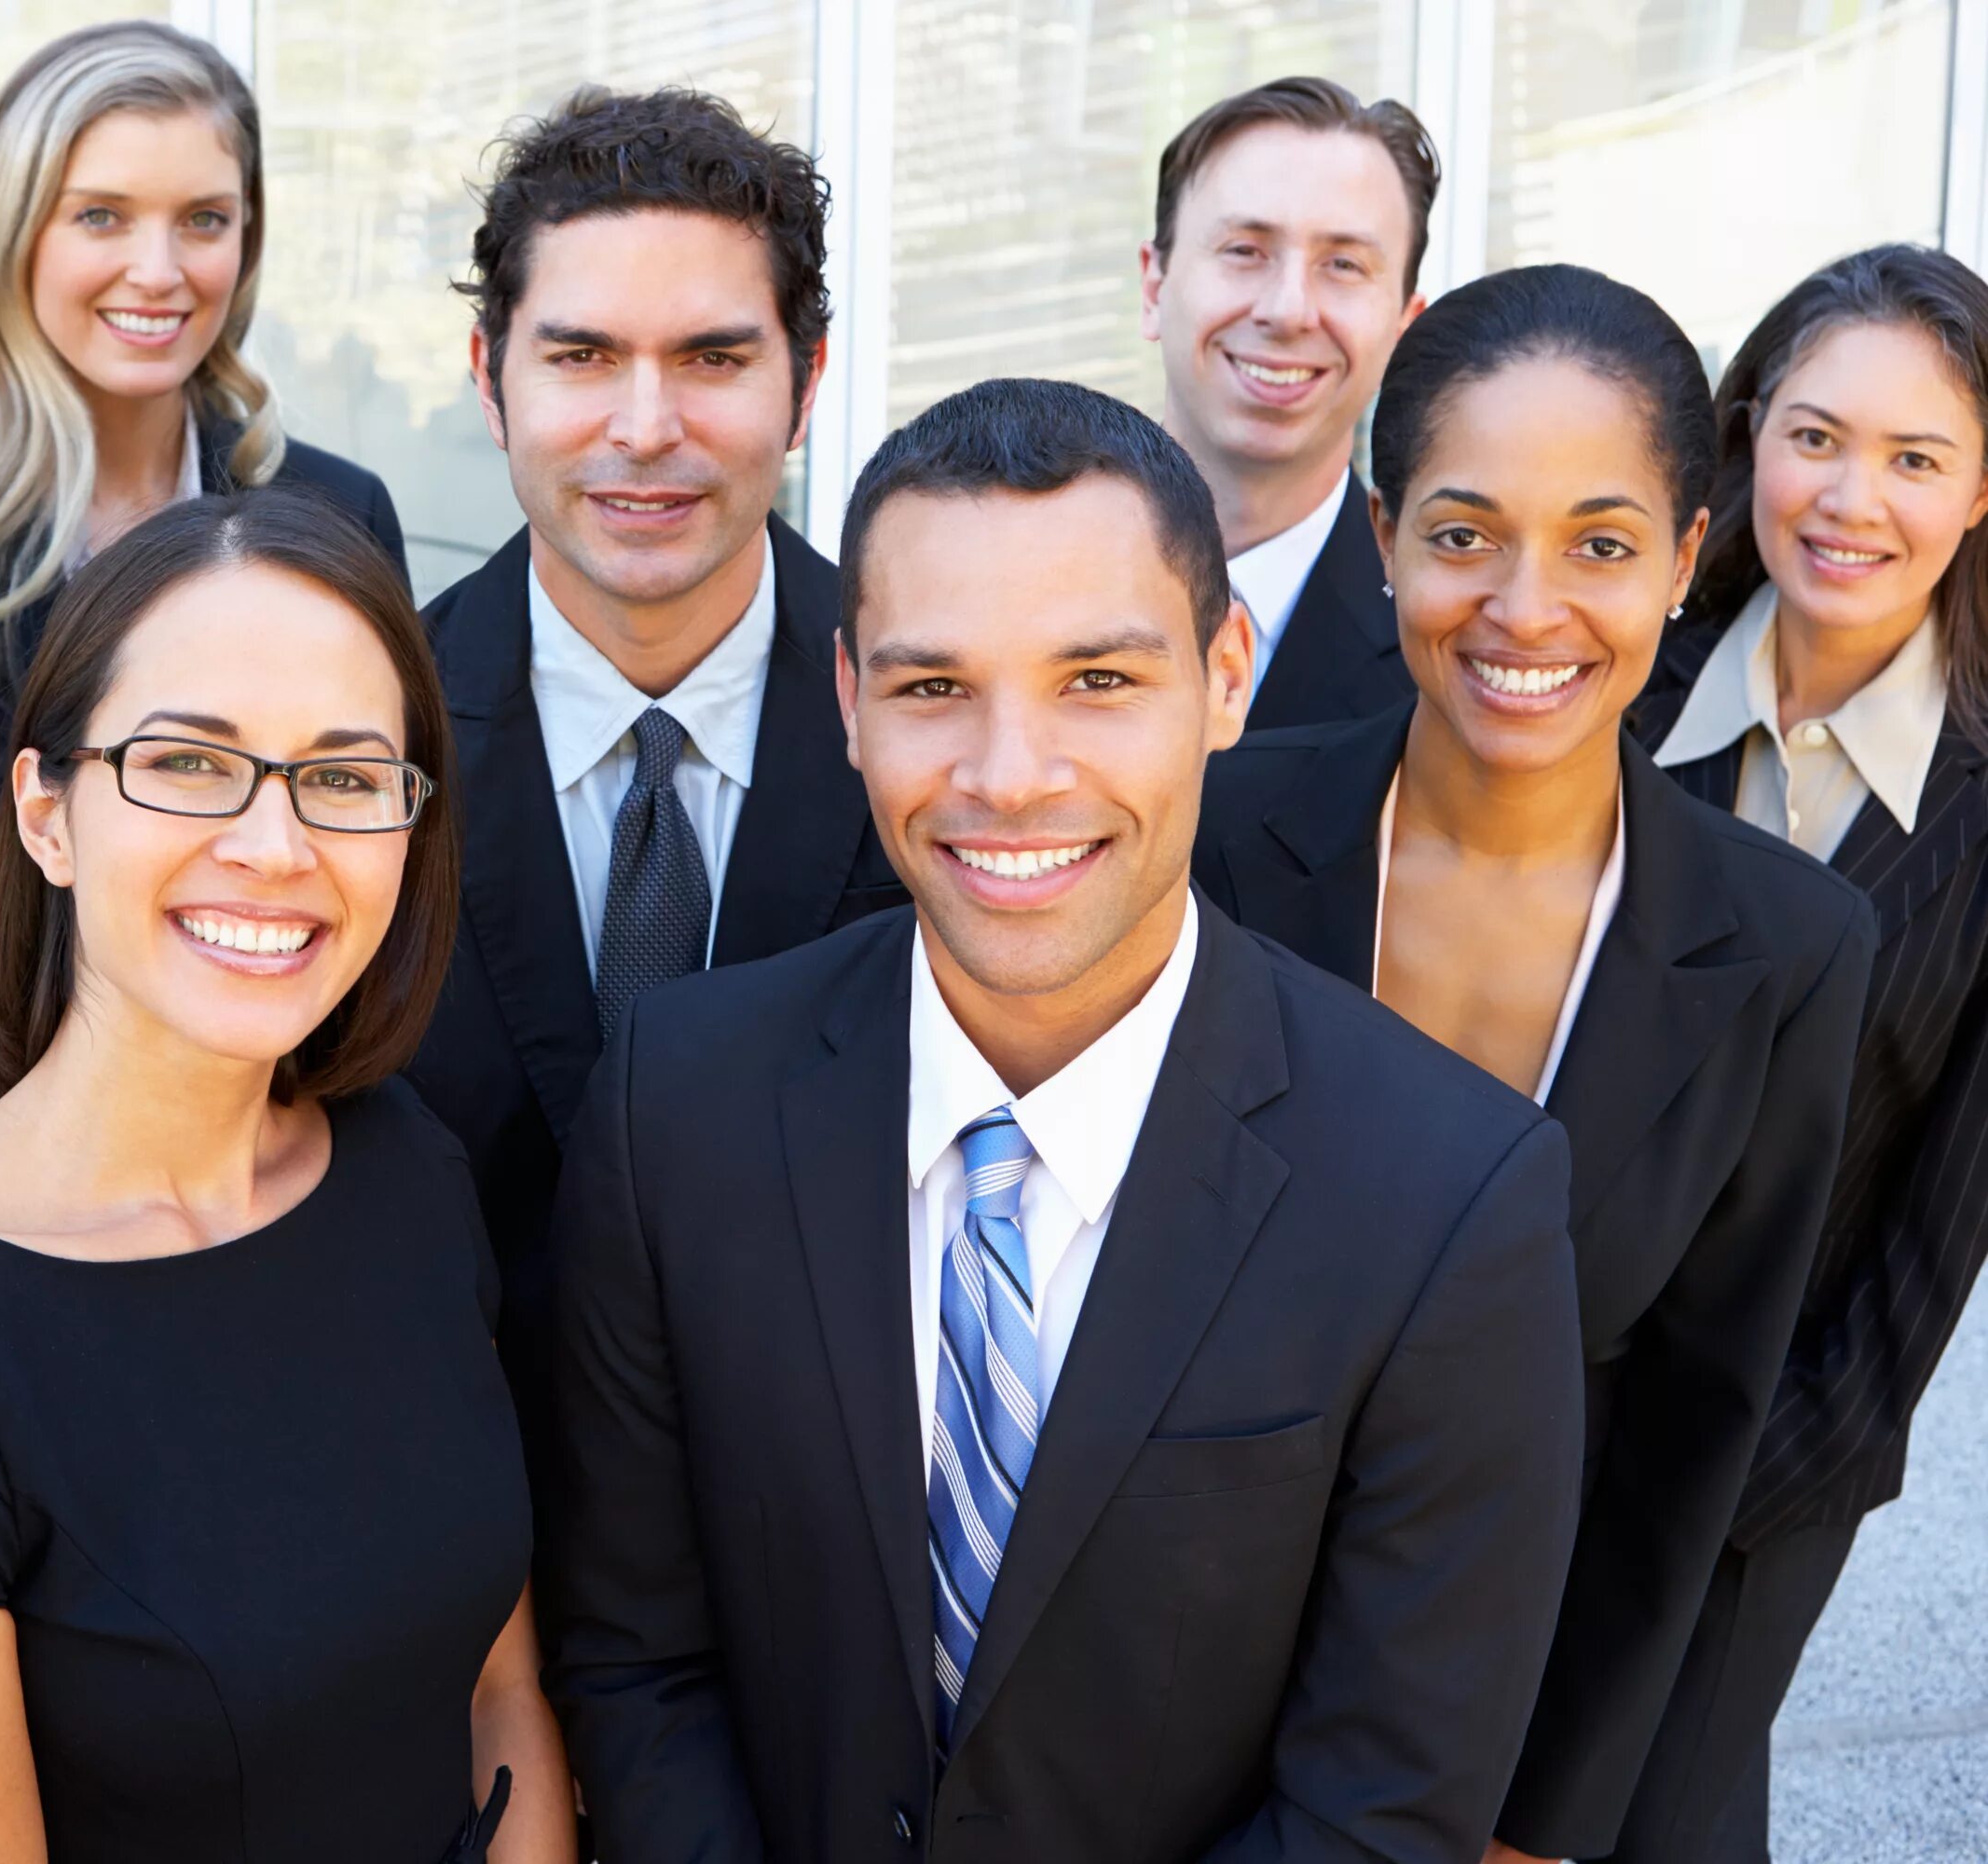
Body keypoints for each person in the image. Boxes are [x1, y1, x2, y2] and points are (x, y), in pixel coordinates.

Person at [539, 376, 1586, 1862]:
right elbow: (638, 1661)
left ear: (1226, 676)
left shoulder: (1450, 1197)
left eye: (1098, 682)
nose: (1008, 776)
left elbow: (1383, 1808)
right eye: (931, 687)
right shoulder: (676, 1106)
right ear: (849, 702)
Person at [0, 490, 573, 1864]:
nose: (275, 845)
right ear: (49, 815)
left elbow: (498, 1699)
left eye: (347, 777)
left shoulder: (409, 1172)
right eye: (190, 764)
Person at [1194, 264, 1877, 1864]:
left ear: (1688, 558)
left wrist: (1532, 1823)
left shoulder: (1788, 946)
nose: (1524, 605)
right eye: (1460, 532)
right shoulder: (1212, 844)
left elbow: (1696, 1441)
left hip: (1555, 1758)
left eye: (1602, 544)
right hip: (1189, 1723)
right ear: (1381, 543)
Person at [405, 89, 903, 1394]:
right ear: (487, 377)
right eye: (579, 358)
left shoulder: (936, 715)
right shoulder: (363, 731)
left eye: (712, 358)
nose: (643, 428)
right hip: (449, 1532)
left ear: (808, 382)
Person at [1617, 243, 1988, 1864]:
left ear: (1979, 494)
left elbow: (1932, 1249)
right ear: (1745, 439)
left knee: (1670, 1826)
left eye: (1917, 458)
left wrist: (1744, 1484)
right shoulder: (1609, 693)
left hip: (1776, 1458)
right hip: (1491, 1410)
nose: (1853, 497)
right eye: (1816, 435)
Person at [0, 19, 407, 695]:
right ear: (10, 233)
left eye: (203, 219)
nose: (157, 272)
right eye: (101, 216)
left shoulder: (344, 512)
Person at [1141, 75, 1433, 729]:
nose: (1288, 311)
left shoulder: (1445, 663)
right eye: (1245, 251)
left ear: (1402, 328)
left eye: (1344, 265)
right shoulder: (999, 582)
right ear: (1153, 285)